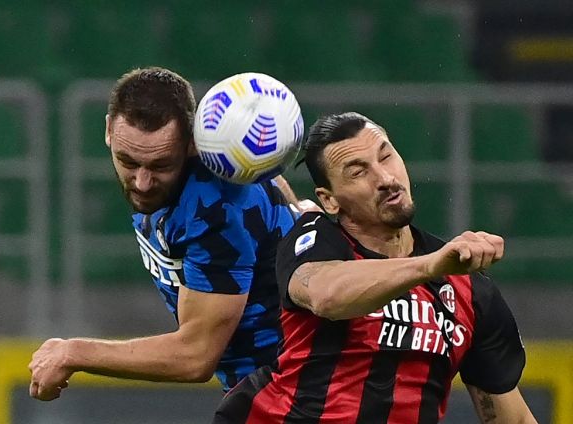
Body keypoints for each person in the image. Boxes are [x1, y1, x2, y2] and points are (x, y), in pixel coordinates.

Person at [213, 112, 537, 423]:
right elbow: (327, 295)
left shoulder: (471, 291)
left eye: (386, 156)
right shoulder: (313, 241)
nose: (384, 178)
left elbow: (512, 418)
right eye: (357, 171)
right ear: (329, 201)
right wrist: (428, 266)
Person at [28, 67, 302, 400]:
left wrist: (74, 353)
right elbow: (265, 182)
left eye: (160, 166)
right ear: (108, 131)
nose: (142, 182)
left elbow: (195, 357)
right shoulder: (216, 171)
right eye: (128, 162)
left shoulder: (213, 211)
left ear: (191, 145)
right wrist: (297, 210)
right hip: (270, 391)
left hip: (303, 393)